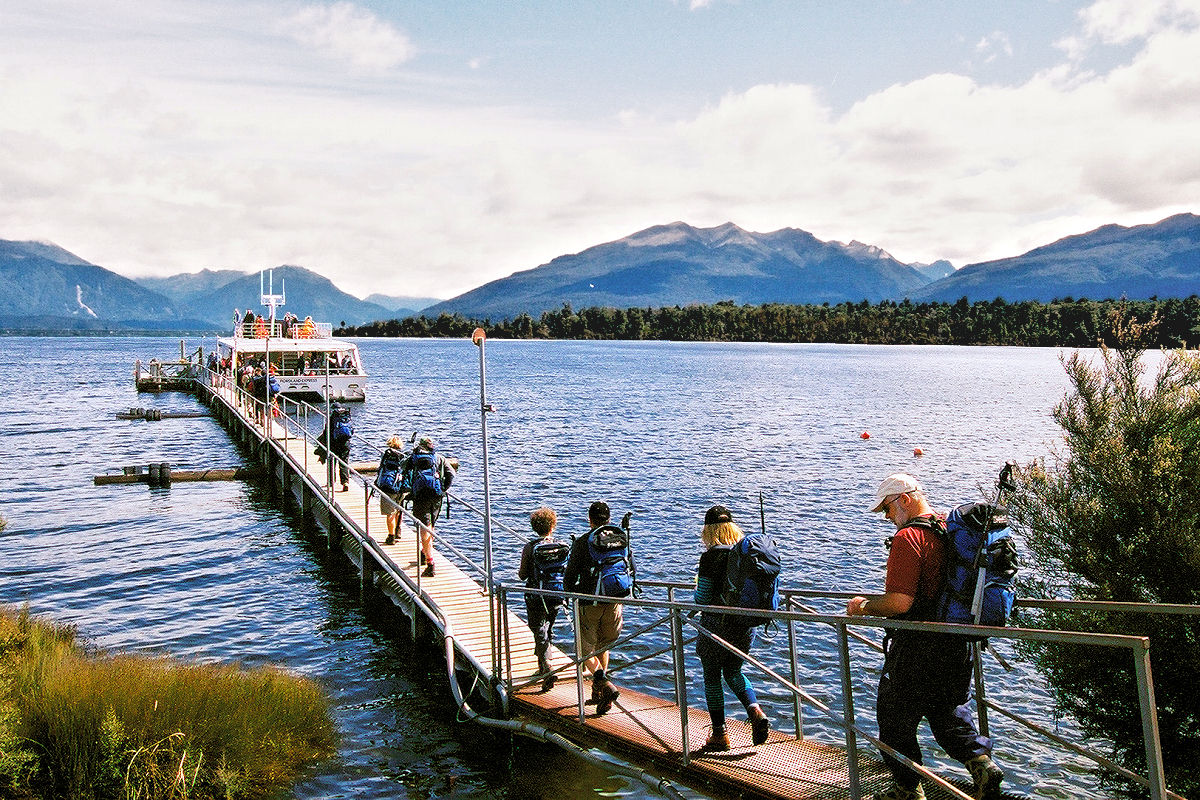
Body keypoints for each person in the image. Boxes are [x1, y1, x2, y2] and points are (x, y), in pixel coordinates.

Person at [846, 474, 1005, 800]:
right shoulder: (951, 530)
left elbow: (899, 602)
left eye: (887, 509)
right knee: (948, 713)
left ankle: (907, 789)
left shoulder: (909, 538)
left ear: (905, 499)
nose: (887, 518)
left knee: (893, 722)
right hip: (956, 642)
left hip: (917, 647)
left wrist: (862, 606)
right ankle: (982, 765)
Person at [692, 505, 770, 752]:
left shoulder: (711, 556)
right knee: (734, 672)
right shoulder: (745, 553)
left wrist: (696, 593)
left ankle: (719, 735)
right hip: (746, 627)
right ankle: (755, 711)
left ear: (709, 530)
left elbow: (702, 598)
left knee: (712, 676)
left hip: (717, 627)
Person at [563, 500, 627, 715]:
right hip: (614, 600)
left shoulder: (583, 542)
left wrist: (570, 592)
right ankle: (598, 692)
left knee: (584, 649)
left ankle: (604, 684)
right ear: (609, 520)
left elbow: (570, 577)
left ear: (589, 519)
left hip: (589, 601)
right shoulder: (619, 539)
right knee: (602, 645)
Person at [518, 507, 567, 691]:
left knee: (538, 628)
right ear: (552, 526)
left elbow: (522, 575)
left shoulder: (530, 547)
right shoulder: (560, 546)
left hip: (536, 596)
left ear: (534, 527)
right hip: (556, 594)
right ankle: (542, 666)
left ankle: (547, 667)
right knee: (548, 628)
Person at [401, 436, 456, 577]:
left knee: (424, 528)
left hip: (420, 496)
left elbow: (402, 467)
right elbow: (451, 474)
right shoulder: (439, 458)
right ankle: (425, 552)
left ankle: (430, 563)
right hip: (437, 496)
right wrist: (444, 489)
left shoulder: (414, 457)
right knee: (430, 525)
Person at [377, 435, 406, 545]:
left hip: (387, 487)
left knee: (390, 513)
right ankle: (398, 531)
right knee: (398, 510)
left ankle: (391, 536)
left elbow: (380, 469)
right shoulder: (403, 456)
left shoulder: (386, 455)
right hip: (400, 487)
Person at [318, 402, 353, 492]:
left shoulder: (332, 418)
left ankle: (330, 482)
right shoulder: (346, 417)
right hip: (346, 444)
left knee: (331, 462)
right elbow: (352, 431)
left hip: (334, 444)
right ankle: (345, 482)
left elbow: (327, 433)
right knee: (344, 462)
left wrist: (322, 446)